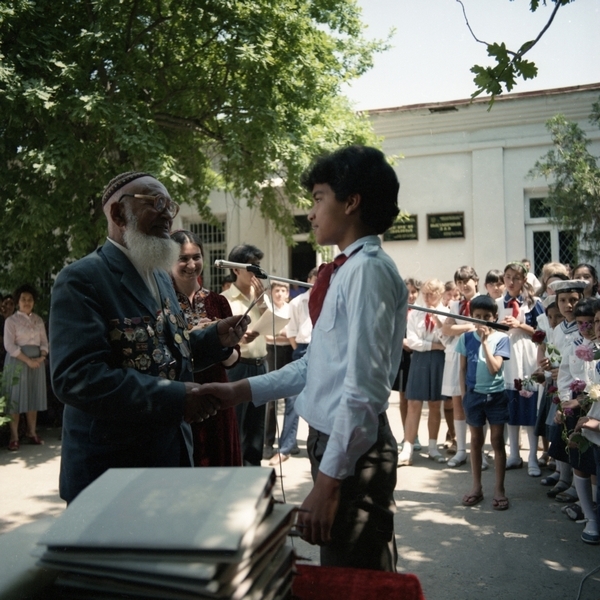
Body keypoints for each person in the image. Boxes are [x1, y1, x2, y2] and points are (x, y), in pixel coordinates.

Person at [201, 145, 407, 571]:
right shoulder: (346, 270)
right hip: (337, 446)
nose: (310, 213)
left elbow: (365, 390)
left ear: (351, 202)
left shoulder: (367, 271)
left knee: (355, 579)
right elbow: (320, 365)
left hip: (352, 455)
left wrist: (329, 485)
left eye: (318, 198)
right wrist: (236, 391)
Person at [49, 171, 248, 504]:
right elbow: (76, 378)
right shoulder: (82, 279)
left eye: (170, 203)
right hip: (111, 471)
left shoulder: (159, 274)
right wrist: (176, 398)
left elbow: (166, 354)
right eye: (156, 203)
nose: (168, 213)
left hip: (170, 458)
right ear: (117, 214)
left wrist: (215, 339)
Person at [170, 229, 242, 467]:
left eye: (196, 257)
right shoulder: (160, 302)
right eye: (183, 258)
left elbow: (233, 359)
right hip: (182, 396)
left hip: (217, 395)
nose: (191, 265)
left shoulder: (218, 302)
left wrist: (222, 342)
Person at [456, 295, 511, 509]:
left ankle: (499, 488)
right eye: (477, 317)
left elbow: (494, 368)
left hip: (496, 397)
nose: (481, 321)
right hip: (474, 396)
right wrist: (464, 395)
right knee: (476, 441)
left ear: (494, 317)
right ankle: (476, 487)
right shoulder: (466, 338)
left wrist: (486, 342)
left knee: (497, 441)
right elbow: (461, 369)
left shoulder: (501, 338)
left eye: (486, 317)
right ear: (472, 317)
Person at [221, 243, 269, 466]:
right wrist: (240, 339)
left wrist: (262, 303)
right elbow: (220, 338)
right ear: (236, 270)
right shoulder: (225, 299)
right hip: (239, 366)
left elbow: (274, 326)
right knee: (237, 424)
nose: (257, 273)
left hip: (261, 364)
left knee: (256, 426)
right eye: (253, 267)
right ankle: (235, 471)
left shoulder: (260, 295)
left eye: (259, 266)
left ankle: (254, 470)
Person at [497, 261, 545, 476]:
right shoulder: (498, 302)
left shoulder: (534, 303)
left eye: (516, 277)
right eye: (507, 277)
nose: (511, 281)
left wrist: (519, 325)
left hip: (527, 354)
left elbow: (542, 332)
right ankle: (514, 454)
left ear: (524, 279)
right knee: (511, 405)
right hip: (507, 356)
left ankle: (532, 456)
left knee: (529, 403)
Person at [269, 268, 318, 466]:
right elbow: (292, 332)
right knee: (293, 399)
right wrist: (301, 353)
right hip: (302, 349)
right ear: (308, 280)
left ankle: (321, 446)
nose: (317, 284)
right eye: (314, 280)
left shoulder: (330, 299)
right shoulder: (298, 303)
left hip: (323, 350)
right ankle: (285, 447)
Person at [398, 279, 448, 466]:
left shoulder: (446, 313)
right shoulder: (415, 314)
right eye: (425, 293)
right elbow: (412, 341)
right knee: (413, 403)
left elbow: (447, 340)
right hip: (419, 359)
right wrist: (433, 345)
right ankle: (408, 448)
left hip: (437, 361)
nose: (427, 298)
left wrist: (437, 321)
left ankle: (433, 447)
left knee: (435, 404)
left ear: (440, 294)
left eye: (431, 294)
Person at [2, 284, 48, 450]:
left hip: (37, 362)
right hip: (18, 360)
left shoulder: (38, 320)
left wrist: (42, 356)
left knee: (33, 396)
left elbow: (44, 341)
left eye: (30, 299)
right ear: (17, 302)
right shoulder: (11, 321)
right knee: (15, 398)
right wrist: (27, 360)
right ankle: (14, 437)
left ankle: (32, 432)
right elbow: (9, 345)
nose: (27, 302)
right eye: (23, 299)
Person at [264, 281, 292, 460]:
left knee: (291, 398)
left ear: (288, 293)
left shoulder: (291, 309)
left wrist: (280, 333)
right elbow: (266, 334)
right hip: (271, 352)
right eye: (277, 291)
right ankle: (268, 443)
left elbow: (292, 335)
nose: (280, 294)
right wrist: (283, 333)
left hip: (288, 352)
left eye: (283, 291)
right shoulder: (268, 308)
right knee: (271, 400)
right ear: (271, 292)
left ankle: (288, 444)